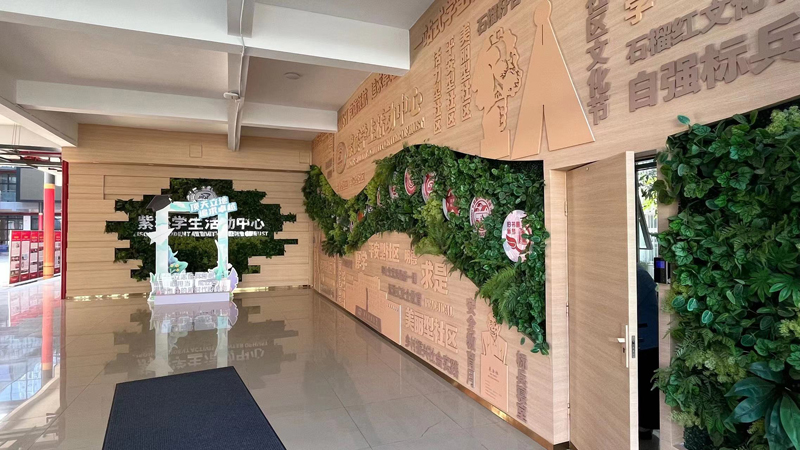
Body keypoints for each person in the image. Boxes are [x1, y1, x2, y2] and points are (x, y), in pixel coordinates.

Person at [637, 264, 660, 439]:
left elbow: (627, 304)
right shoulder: (638, 274)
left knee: (647, 386)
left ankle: (645, 427)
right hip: (641, 339)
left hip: (647, 341)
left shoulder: (640, 276)